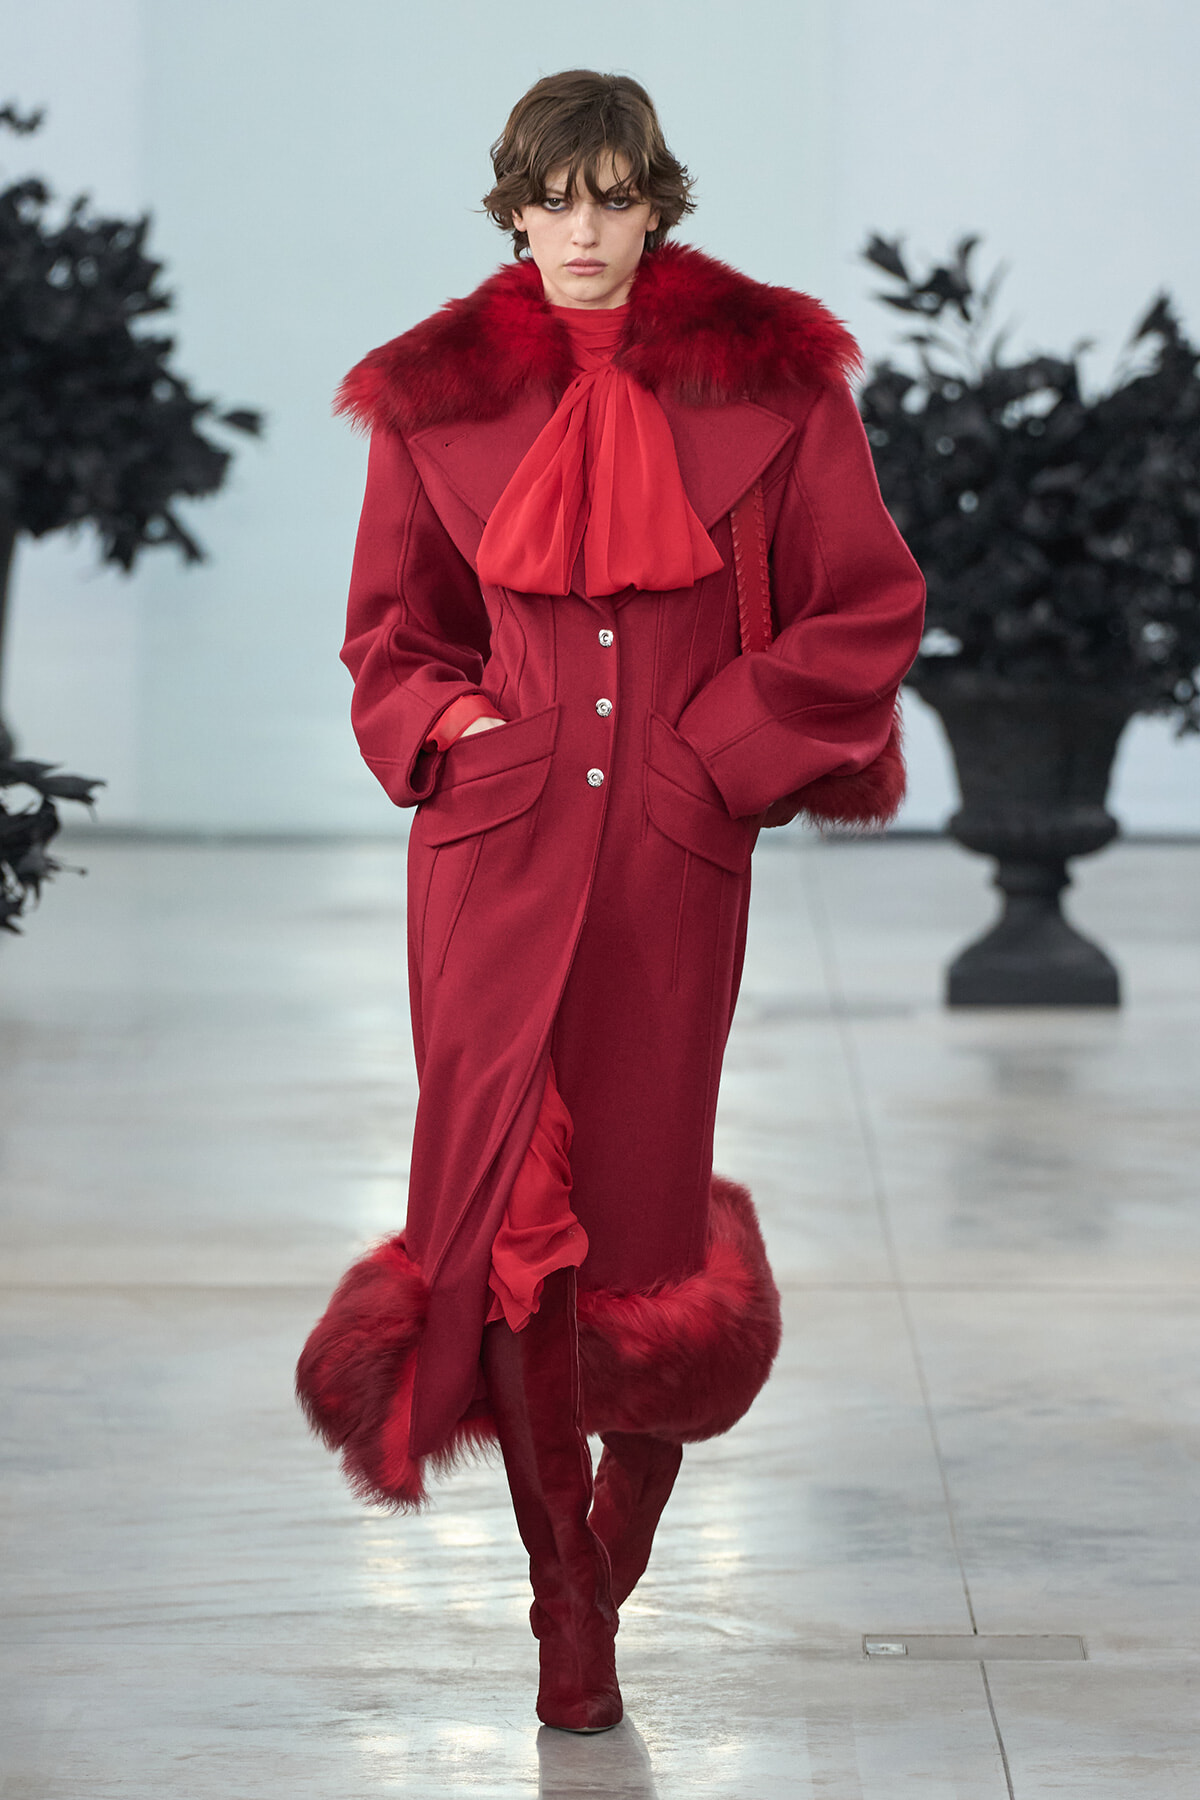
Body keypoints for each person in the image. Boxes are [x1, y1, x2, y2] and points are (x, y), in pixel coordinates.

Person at [298, 69, 925, 1734]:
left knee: (641, 1228)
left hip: (667, 854)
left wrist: (719, 749)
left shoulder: (775, 387)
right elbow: (391, 635)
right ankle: (562, 1597)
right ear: (512, 209)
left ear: (659, 203)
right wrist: (450, 723)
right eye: (551, 199)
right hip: (490, 865)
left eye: (612, 195)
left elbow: (864, 606)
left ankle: (620, 1524)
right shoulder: (432, 402)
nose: (582, 230)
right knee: (511, 1228)